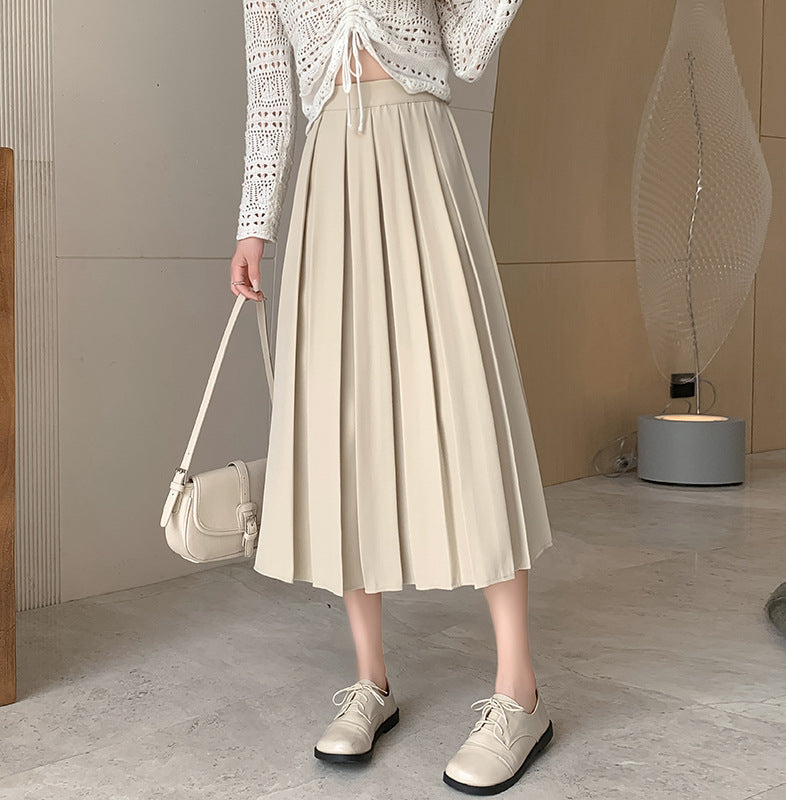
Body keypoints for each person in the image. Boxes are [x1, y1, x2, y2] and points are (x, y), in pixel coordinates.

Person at [229, 0, 555, 793]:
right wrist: (253, 225)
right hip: (330, 175)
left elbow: (468, 48)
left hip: (421, 156)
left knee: (465, 403)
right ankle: (370, 681)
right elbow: (270, 96)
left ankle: (520, 691)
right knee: (342, 423)